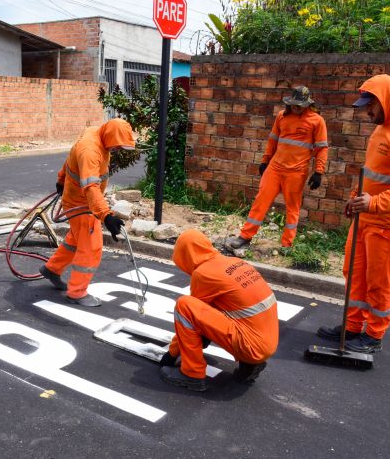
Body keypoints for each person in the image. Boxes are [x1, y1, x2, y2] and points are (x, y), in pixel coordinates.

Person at [318, 74, 390, 353]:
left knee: (379, 281)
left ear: (387, 100)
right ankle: (352, 327)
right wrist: (356, 200)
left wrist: (374, 204)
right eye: (365, 106)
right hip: (366, 217)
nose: (367, 111)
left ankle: (374, 335)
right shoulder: (381, 130)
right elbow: (374, 178)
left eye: (371, 106)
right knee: (354, 273)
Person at [159, 229, 279, 392]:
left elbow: (190, 315)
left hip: (250, 346)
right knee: (225, 309)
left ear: (185, 256)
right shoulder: (235, 262)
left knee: (184, 305)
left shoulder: (203, 274)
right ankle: (250, 364)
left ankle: (192, 374)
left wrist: (171, 354)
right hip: (268, 342)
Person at [39, 118, 136, 307]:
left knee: (75, 240)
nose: (116, 151)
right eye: (116, 147)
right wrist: (106, 215)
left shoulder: (95, 132)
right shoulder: (90, 150)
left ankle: (52, 269)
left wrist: (61, 179)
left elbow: (70, 158)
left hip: (81, 200)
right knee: (91, 246)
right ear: (109, 137)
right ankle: (77, 292)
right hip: (81, 204)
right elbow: (91, 187)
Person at [226, 85, 328, 251]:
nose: (297, 107)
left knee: (292, 209)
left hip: (297, 172)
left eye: (300, 105)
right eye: (294, 104)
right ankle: (245, 236)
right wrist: (265, 161)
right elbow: (273, 140)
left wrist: (318, 172)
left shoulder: (317, 120)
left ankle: (287, 244)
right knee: (260, 201)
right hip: (275, 168)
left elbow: (322, 148)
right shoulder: (282, 116)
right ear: (289, 103)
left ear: (307, 104)